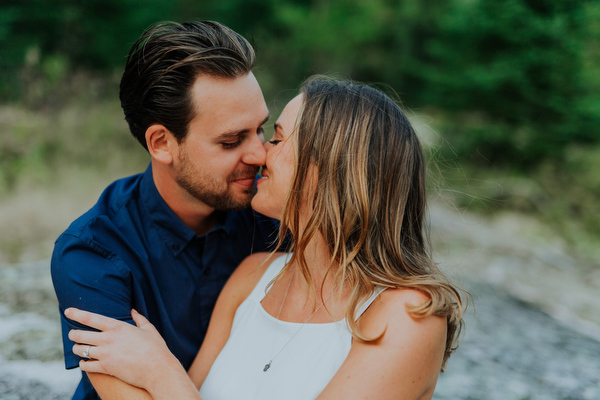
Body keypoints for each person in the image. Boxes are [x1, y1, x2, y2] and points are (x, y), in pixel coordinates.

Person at [65, 77, 466, 400]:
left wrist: (160, 369)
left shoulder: (409, 316)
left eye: (273, 137)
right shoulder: (252, 276)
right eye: (238, 139)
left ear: (330, 168)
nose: (260, 154)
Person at [50, 20, 285, 400]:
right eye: (230, 141)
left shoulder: (275, 213)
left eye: (260, 128)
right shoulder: (91, 254)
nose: (260, 154)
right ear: (161, 143)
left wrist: (160, 371)